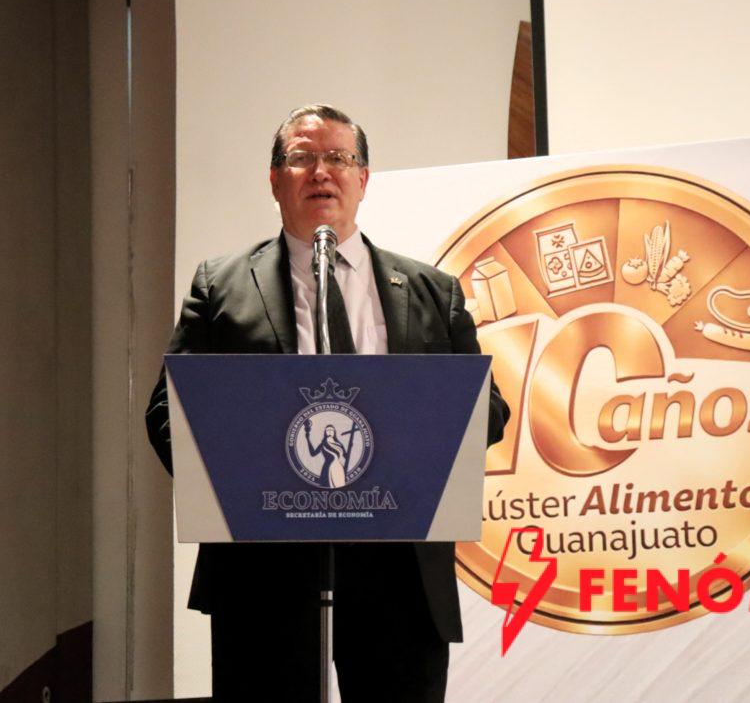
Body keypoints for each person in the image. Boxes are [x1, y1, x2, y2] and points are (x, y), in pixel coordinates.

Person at [145, 104, 510, 701]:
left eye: (339, 158)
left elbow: (486, 411)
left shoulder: (431, 290)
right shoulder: (222, 285)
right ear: (274, 180)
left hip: (399, 569)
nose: (321, 172)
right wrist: (238, 485)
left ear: (363, 179)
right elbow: (168, 414)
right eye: (302, 158)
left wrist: (414, 435)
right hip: (264, 567)